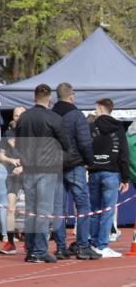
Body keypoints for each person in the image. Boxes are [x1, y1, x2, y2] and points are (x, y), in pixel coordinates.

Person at [15, 84, 70, 264]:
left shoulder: (24, 118)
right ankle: (39, 250)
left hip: (29, 167)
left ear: (34, 97)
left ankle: (31, 249)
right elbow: (65, 143)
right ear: (49, 98)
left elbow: (18, 143)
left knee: (31, 211)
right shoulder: (53, 118)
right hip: (47, 168)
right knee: (43, 212)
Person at [51, 83, 94, 260]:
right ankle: (83, 245)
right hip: (75, 163)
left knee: (59, 208)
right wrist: (89, 161)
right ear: (71, 96)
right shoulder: (77, 115)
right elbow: (84, 141)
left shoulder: (51, 115)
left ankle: (61, 247)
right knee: (83, 206)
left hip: (55, 166)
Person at [88, 98, 130, 258]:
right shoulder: (118, 128)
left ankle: (94, 243)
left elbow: (85, 146)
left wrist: (88, 163)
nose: (94, 111)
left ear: (100, 108)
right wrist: (125, 178)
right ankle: (102, 245)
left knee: (95, 210)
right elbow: (123, 154)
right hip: (111, 173)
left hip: (94, 172)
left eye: (95, 108)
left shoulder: (91, 127)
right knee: (107, 211)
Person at [0, 106, 26, 254]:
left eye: (21, 115)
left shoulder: (31, 134)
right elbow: (0, 156)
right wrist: (11, 160)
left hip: (28, 175)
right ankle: (9, 242)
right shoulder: (8, 134)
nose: (18, 118)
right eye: (15, 115)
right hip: (12, 176)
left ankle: (31, 241)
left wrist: (24, 167)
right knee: (11, 208)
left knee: (32, 208)